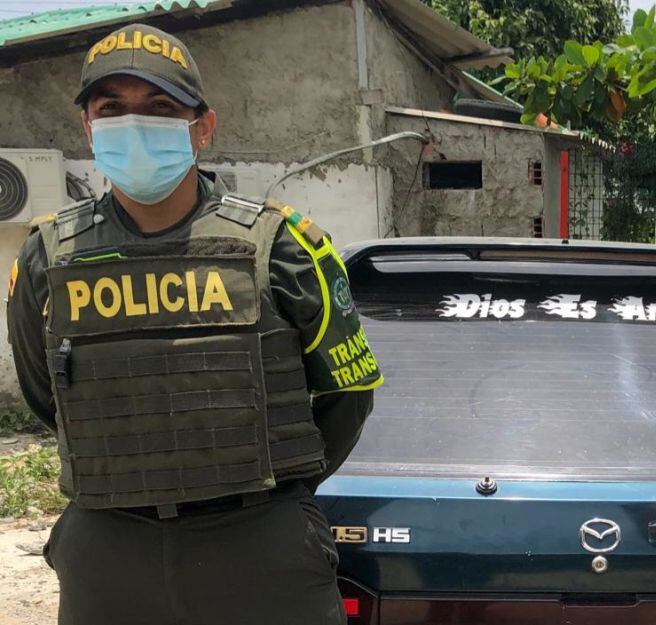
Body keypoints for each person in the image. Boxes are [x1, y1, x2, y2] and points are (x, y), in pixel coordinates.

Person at [6, 23, 383, 625]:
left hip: (261, 543)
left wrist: (274, 491)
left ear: (202, 126)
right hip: (111, 549)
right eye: (112, 108)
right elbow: (44, 395)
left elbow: (349, 392)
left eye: (159, 107)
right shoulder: (47, 255)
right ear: (88, 128)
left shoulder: (282, 245)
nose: (134, 124)